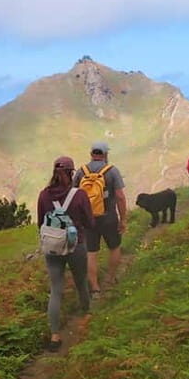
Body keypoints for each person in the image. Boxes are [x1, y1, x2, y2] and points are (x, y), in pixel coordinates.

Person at [37, 156, 94, 351]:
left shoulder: (44, 195)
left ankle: (54, 336)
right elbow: (89, 222)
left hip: (52, 248)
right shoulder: (79, 195)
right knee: (81, 281)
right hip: (75, 246)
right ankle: (85, 314)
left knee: (56, 290)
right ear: (71, 173)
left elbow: (40, 223)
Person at [73, 142, 127, 297]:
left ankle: (95, 287)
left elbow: (74, 195)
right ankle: (110, 279)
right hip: (109, 218)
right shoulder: (112, 171)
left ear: (91, 154)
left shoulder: (81, 172)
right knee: (114, 247)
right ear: (105, 155)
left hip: (87, 219)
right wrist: (123, 219)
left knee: (91, 252)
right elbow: (120, 197)